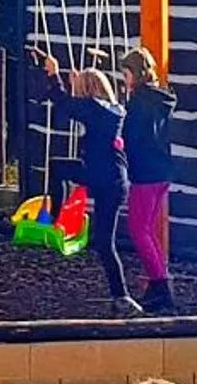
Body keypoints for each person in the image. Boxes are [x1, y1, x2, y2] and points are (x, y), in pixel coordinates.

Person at [32, 49, 135, 313]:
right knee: (103, 242)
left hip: (99, 176)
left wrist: (54, 73)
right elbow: (76, 105)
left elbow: (64, 104)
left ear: (88, 90)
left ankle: (56, 216)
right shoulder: (114, 109)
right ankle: (121, 296)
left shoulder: (93, 109)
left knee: (57, 167)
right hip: (114, 180)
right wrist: (75, 83)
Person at [118, 46, 177, 312]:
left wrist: (118, 145)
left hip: (145, 172)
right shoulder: (161, 98)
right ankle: (158, 283)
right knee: (147, 230)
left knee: (138, 230)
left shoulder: (139, 103)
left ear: (132, 73)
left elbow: (132, 137)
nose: (124, 79)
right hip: (162, 170)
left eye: (125, 74)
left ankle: (161, 285)